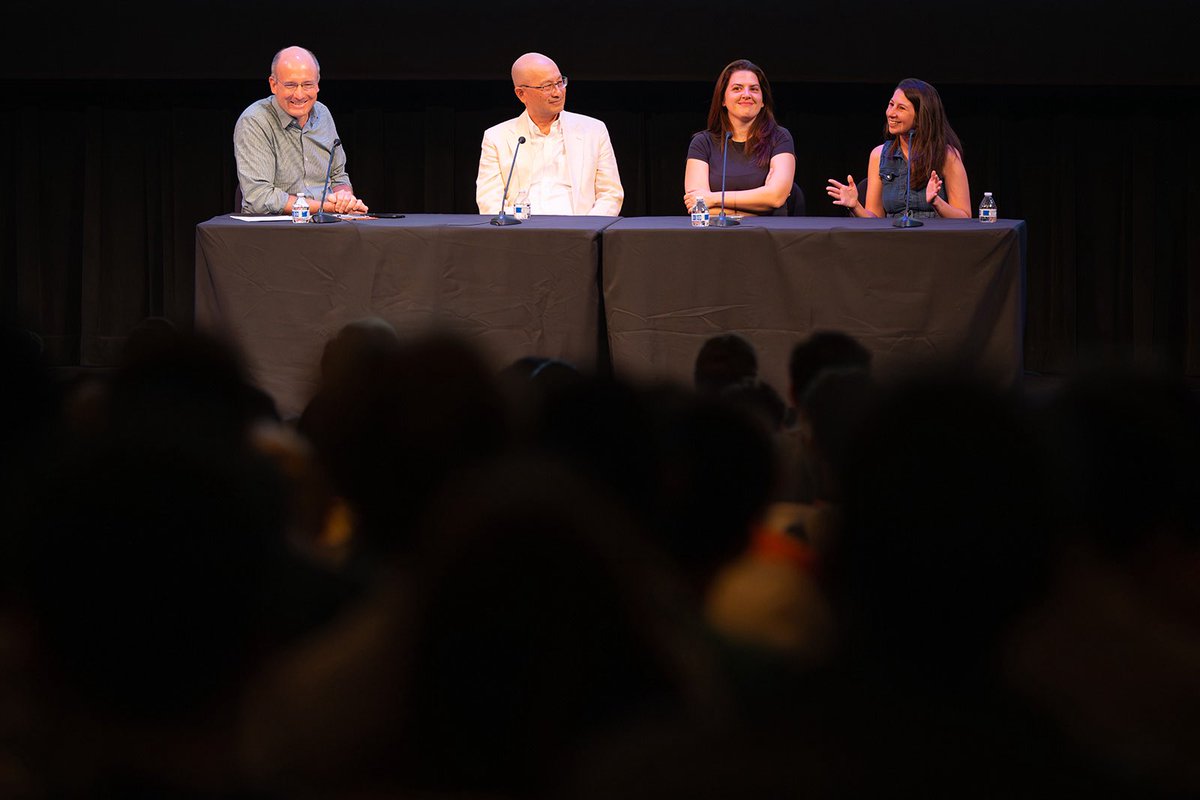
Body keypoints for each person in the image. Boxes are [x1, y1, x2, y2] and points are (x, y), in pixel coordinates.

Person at [476, 53, 624, 216]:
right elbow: (489, 202)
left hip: (580, 233)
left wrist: (587, 230)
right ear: (521, 94)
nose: (558, 93)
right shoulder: (497, 137)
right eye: (547, 86)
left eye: (560, 83)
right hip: (522, 233)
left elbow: (610, 195)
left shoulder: (594, 130)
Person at [234, 46, 368, 216]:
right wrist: (326, 207)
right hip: (276, 228)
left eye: (307, 85)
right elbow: (260, 198)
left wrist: (344, 199)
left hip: (327, 224)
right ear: (273, 85)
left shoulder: (323, 114)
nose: (299, 95)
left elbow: (338, 176)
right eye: (290, 85)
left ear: (317, 85)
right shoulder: (255, 121)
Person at [827, 77, 970, 219]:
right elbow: (875, 219)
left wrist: (937, 202)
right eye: (891, 104)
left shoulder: (947, 155)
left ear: (921, 117)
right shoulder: (878, 155)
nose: (891, 113)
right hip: (893, 239)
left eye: (901, 108)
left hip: (934, 238)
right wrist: (856, 206)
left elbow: (964, 217)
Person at [684, 59, 796, 217]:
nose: (747, 95)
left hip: (768, 236)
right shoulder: (702, 143)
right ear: (722, 99)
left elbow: (776, 198)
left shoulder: (779, 137)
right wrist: (761, 206)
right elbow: (698, 207)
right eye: (737, 88)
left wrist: (714, 200)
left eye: (754, 89)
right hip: (717, 236)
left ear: (763, 101)